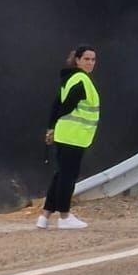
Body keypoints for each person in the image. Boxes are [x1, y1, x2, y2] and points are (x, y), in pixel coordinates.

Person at [38, 45, 100, 230]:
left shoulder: (71, 79)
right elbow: (66, 105)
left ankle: (44, 215)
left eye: (93, 59)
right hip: (73, 135)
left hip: (68, 134)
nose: (90, 63)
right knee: (68, 176)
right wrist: (54, 126)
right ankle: (64, 216)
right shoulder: (81, 79)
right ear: (77, 60)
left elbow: (56, 103)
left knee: (61, 174)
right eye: (86, 59)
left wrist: (51, 128)